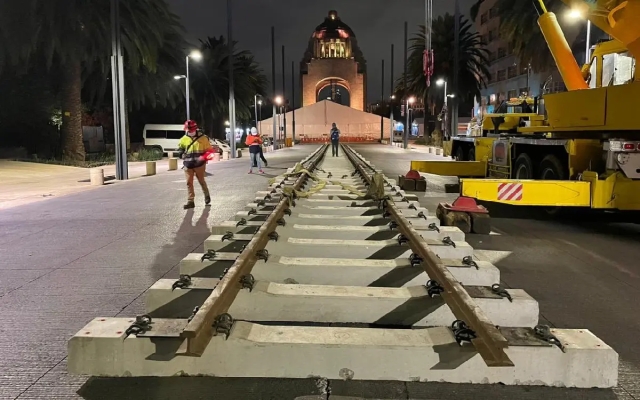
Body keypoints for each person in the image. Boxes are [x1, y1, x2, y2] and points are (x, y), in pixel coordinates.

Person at [177, 120, 212, 209]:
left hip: (199, 165)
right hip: (188, 165)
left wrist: (203, 157)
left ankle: (206, 195)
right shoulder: (183, 139)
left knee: (201, 181)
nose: (189, 131)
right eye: (188, 130)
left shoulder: (203, 138)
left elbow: (210, 151)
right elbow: (180, 148)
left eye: (191, 129)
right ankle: (190, 201)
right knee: (189, 183)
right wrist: (180, 153)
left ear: (195, 129)